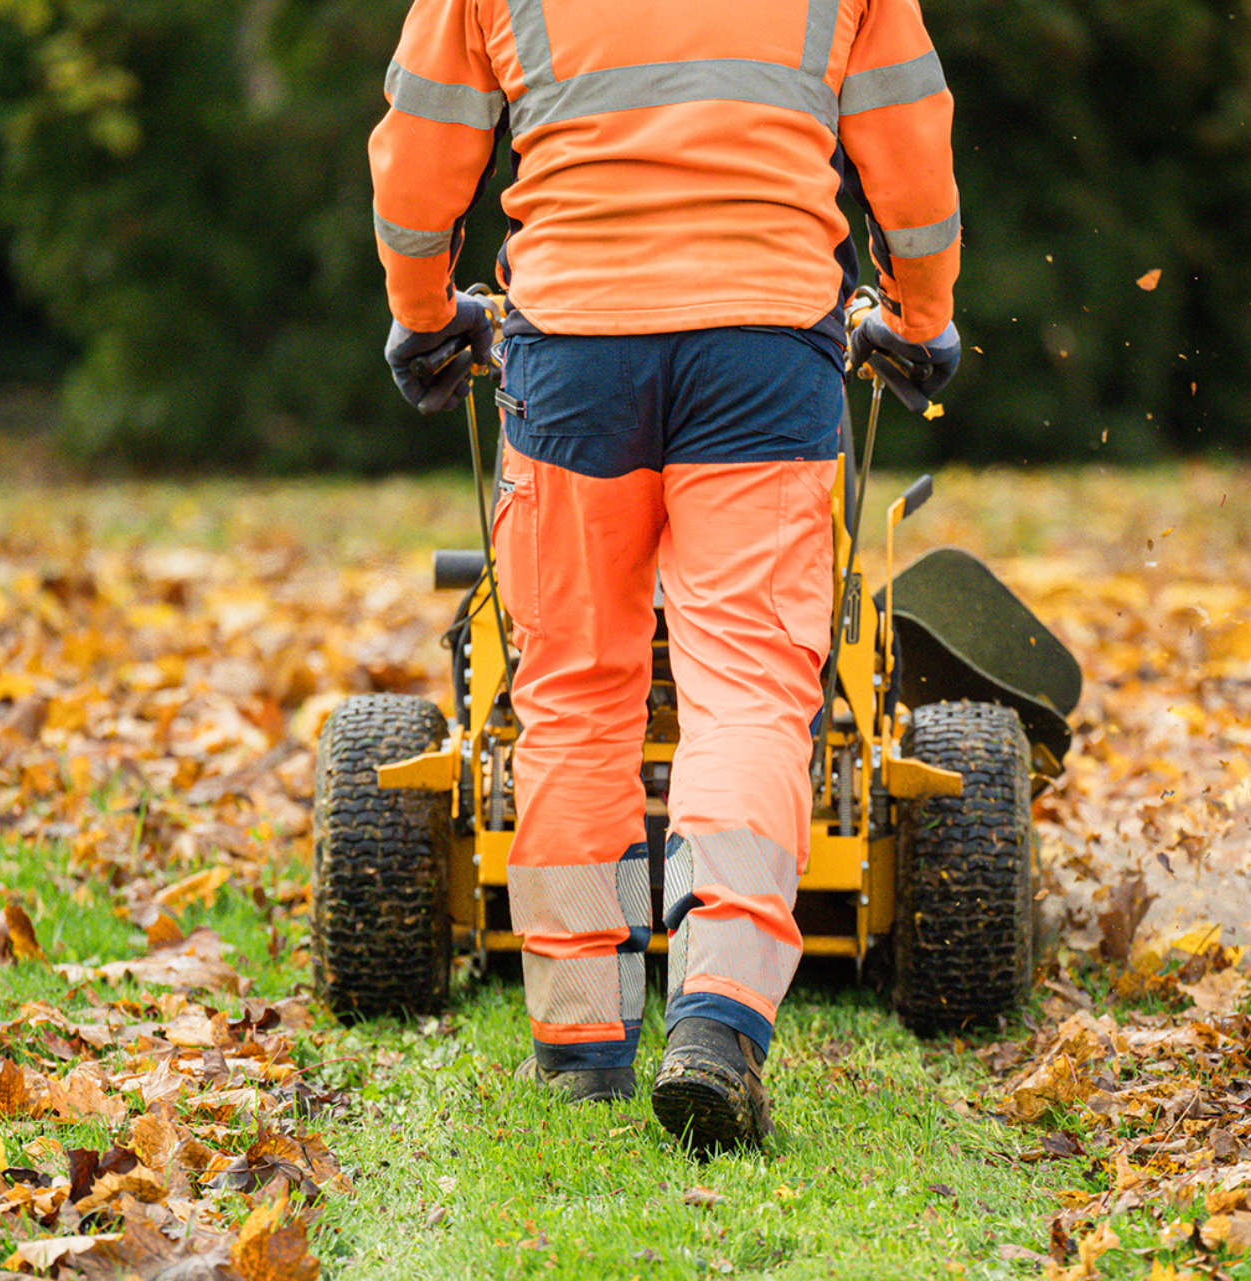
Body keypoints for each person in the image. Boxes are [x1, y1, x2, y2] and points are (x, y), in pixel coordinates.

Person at [369, 0, 962, 1152]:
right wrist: (920, 313)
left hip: (573, 345)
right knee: (746, 686)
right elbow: (908, 139)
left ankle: (582, 1052)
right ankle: (718, 1020)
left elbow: (423, 142)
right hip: (764, 345)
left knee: (575, 695)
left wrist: (422, 315)